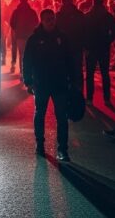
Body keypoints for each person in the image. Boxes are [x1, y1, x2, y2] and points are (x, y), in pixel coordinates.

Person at [22, 9, 76, 161]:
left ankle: (63, 150)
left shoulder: (62, 38)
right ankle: (40, 145)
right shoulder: (34, 39)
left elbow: (70, 60)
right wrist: (28, 81)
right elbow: (27, 61)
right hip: (41, 83)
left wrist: (73, 80)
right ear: (42, 20)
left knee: (62, 118)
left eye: (52, 19)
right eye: (48, 19)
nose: (51, 22)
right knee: (40, 114)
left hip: (59, 83)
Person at [83, 0, 115, 106]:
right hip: (104, 48)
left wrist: (85, 47)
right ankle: (107, 98)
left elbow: (83, 33)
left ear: (93, 2)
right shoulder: (108, 16)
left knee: (90, 74)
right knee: (105, 74)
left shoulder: (87, 16)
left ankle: (89, 98)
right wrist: (108, 41)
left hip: (90, 49)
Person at [9, 0, 39, 75]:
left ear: (20, 1)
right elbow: (37, 22)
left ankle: (22, 73)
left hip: (20, 36)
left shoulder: (16, 11)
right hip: (30, 36)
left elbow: (12, 23)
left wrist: (17, 29)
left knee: (22, 54)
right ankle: (30, 72)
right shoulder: (32, 11)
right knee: (30, 53)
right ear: (27, 0)